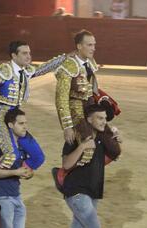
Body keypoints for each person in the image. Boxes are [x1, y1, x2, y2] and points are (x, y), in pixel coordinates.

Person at [0, 41, 65, 169]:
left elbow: (43, 68)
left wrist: (65, 57)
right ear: (14, 55)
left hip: (16, 118)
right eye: (24, 53)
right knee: (11, 156)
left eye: (29, 53)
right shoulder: (3, 71)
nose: (28, 56)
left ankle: (15, 174)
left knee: (38, 157)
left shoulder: (26, 70)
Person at [61, 104, 122, 228]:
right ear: (89, 120)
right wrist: (82, 147)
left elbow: (110, 157)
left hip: (93, 191)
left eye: (105, 118)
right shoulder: (75, 136)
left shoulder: (102, 137)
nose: (104, 122)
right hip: (77, 192)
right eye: (100, 118)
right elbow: (66, 164)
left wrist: (116, 141)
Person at [0, 108, 45, 228]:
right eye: (21, 124)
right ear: (11, 125)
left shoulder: (22, 146)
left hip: (16, 196)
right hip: (0, 197)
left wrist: (28, 173)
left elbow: (24, 169)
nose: (25, 127)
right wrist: (14, 172)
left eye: (26, 123)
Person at [55, 29, 102, 165]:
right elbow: (61, 99)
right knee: (87, 148)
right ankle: (64, 176)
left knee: (109, 143)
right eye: (89, 45)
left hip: (89, 107)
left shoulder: (90, 62)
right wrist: (67, 126)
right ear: (79, 46)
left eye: (94, 45)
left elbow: (91, 89)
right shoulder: (68, 67)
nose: (93, 48)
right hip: (76, 110)